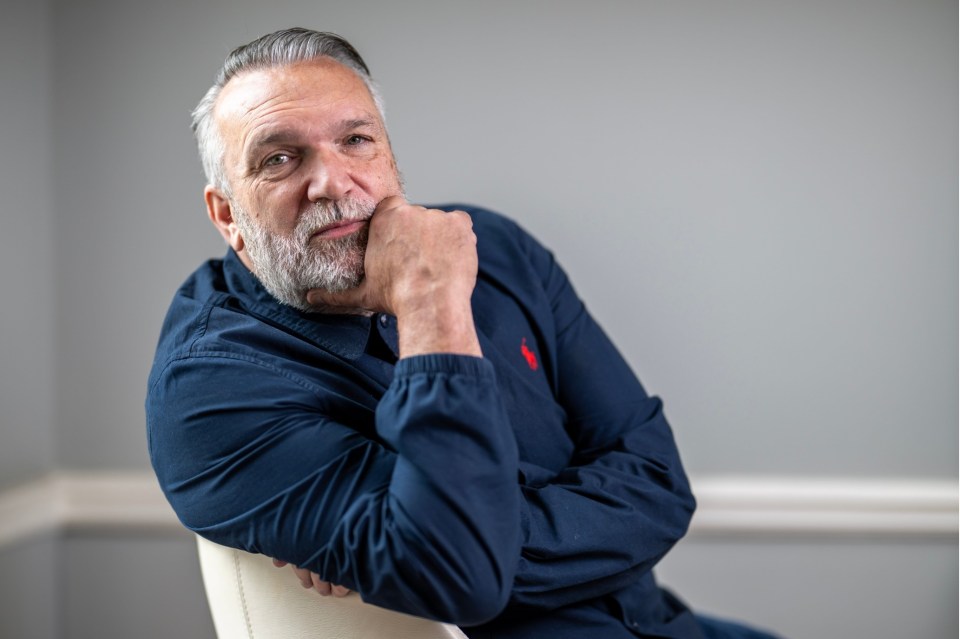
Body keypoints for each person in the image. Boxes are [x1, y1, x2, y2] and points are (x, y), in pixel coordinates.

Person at [146, 28, 779, 639]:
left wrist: (447, 531)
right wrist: (429, 299)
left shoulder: (494, 248)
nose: (333, 182)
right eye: (280, 158)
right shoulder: (208, 390)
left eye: (357, 140)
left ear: (391, 157)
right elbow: (462, 575)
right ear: (227, 213)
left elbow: (660, 484)